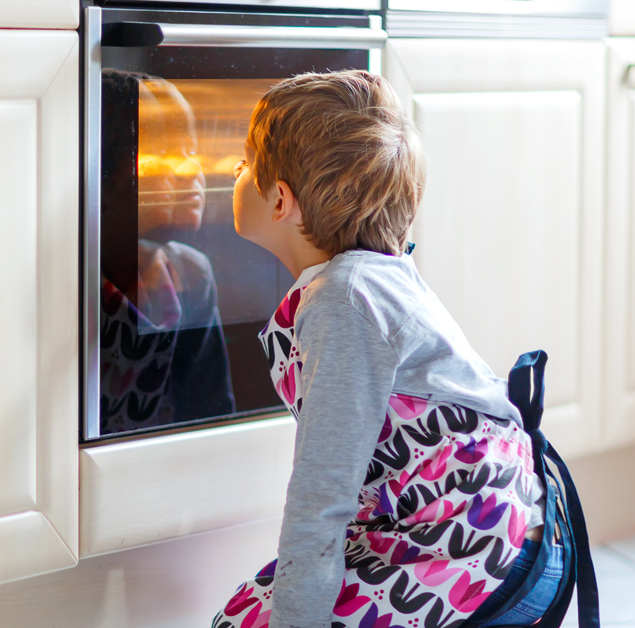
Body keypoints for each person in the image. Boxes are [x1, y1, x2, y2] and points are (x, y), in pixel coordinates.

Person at [212, 71, 560, 628]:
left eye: (246, 162)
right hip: (496, 529)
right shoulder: (374, 277)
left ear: (281, 201)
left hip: (473, 551)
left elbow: (321, 495)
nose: (234, 172)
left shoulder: (342, 302)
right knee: (253, 607)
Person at [99, 70, 235, 434]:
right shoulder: (70, 277)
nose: (193, 168)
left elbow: (210, 411)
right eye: (162, 154)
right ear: (101, 176)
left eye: (193, 152)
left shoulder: (191, 274)